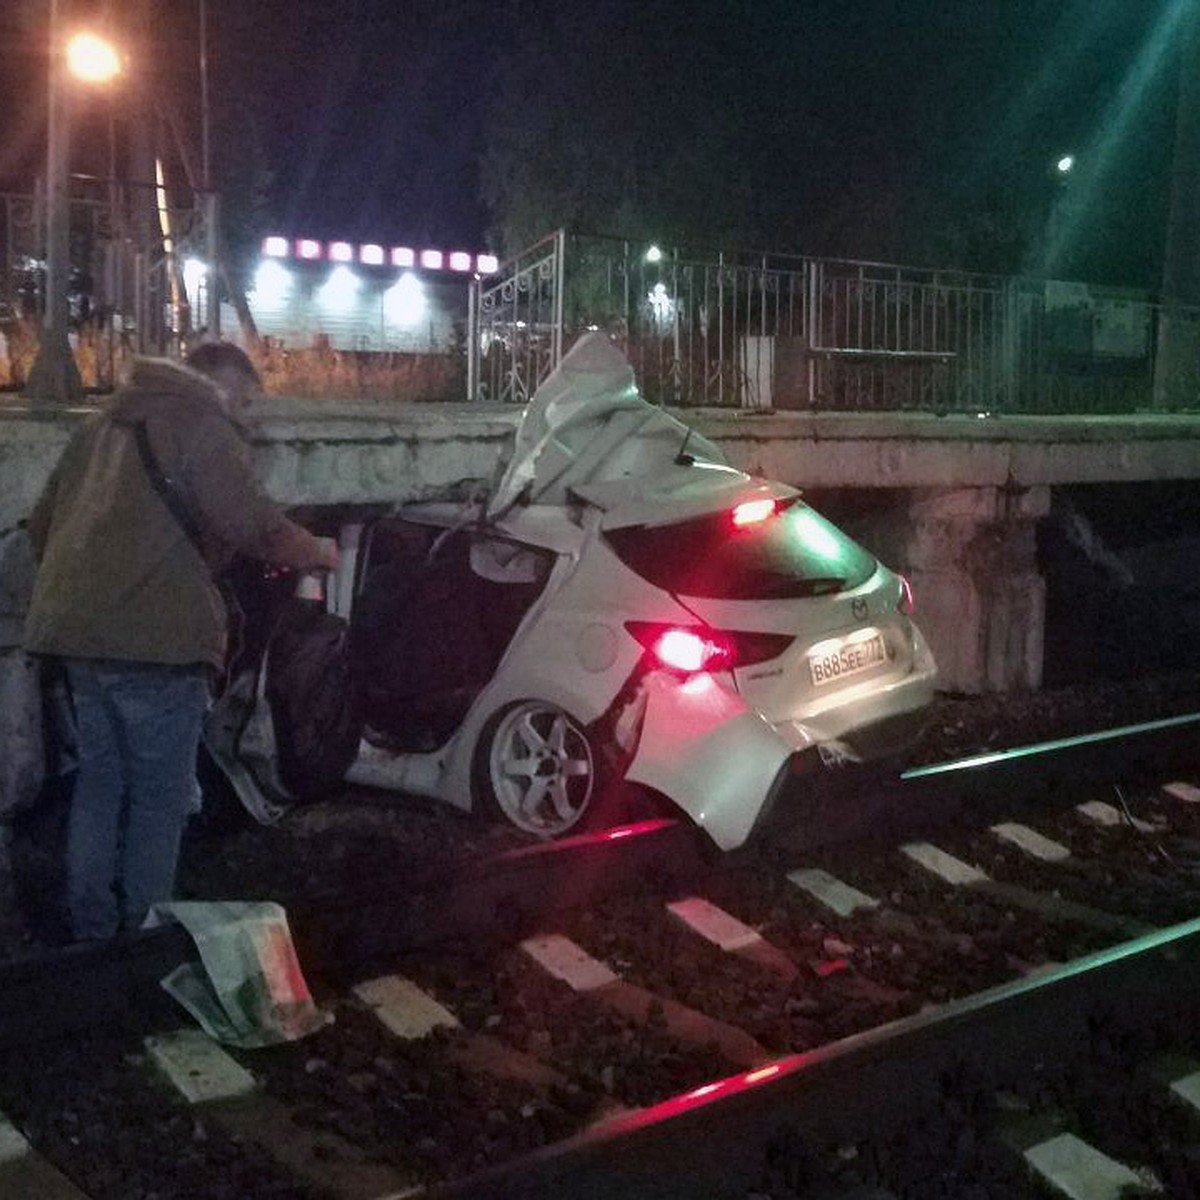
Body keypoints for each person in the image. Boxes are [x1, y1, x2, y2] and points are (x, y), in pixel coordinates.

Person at [23, 342, 338, 942]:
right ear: (218, 386)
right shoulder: (199, 420)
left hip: (76, 637)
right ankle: (144, 931)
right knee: (158, 797)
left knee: (99, 782)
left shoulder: (102, 424)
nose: (247, 419)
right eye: (245, 403)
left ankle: (90, 929)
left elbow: (42, 528)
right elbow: (258, 526)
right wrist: (318, 551)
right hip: (155, 646)